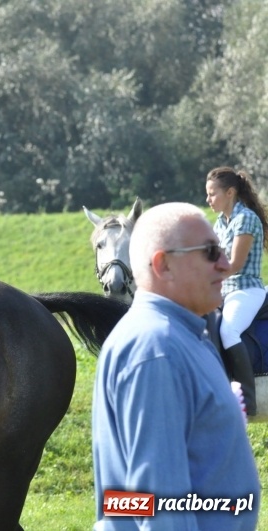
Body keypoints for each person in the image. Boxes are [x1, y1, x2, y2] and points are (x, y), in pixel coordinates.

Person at [92, 202, 260, 530]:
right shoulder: (158, 350)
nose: (226, 265)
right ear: (163, 264)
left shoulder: (184, 335)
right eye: (211, 252)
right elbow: (157, 505)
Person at [206, 167, 268, 416]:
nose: (208, 200)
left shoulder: (246, 219)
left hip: (245, 289)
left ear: (230, 192)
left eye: (212, 194)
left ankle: (248, 400)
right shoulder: (220, 222)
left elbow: (234, 265)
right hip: (224, 291)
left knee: (228, 331)